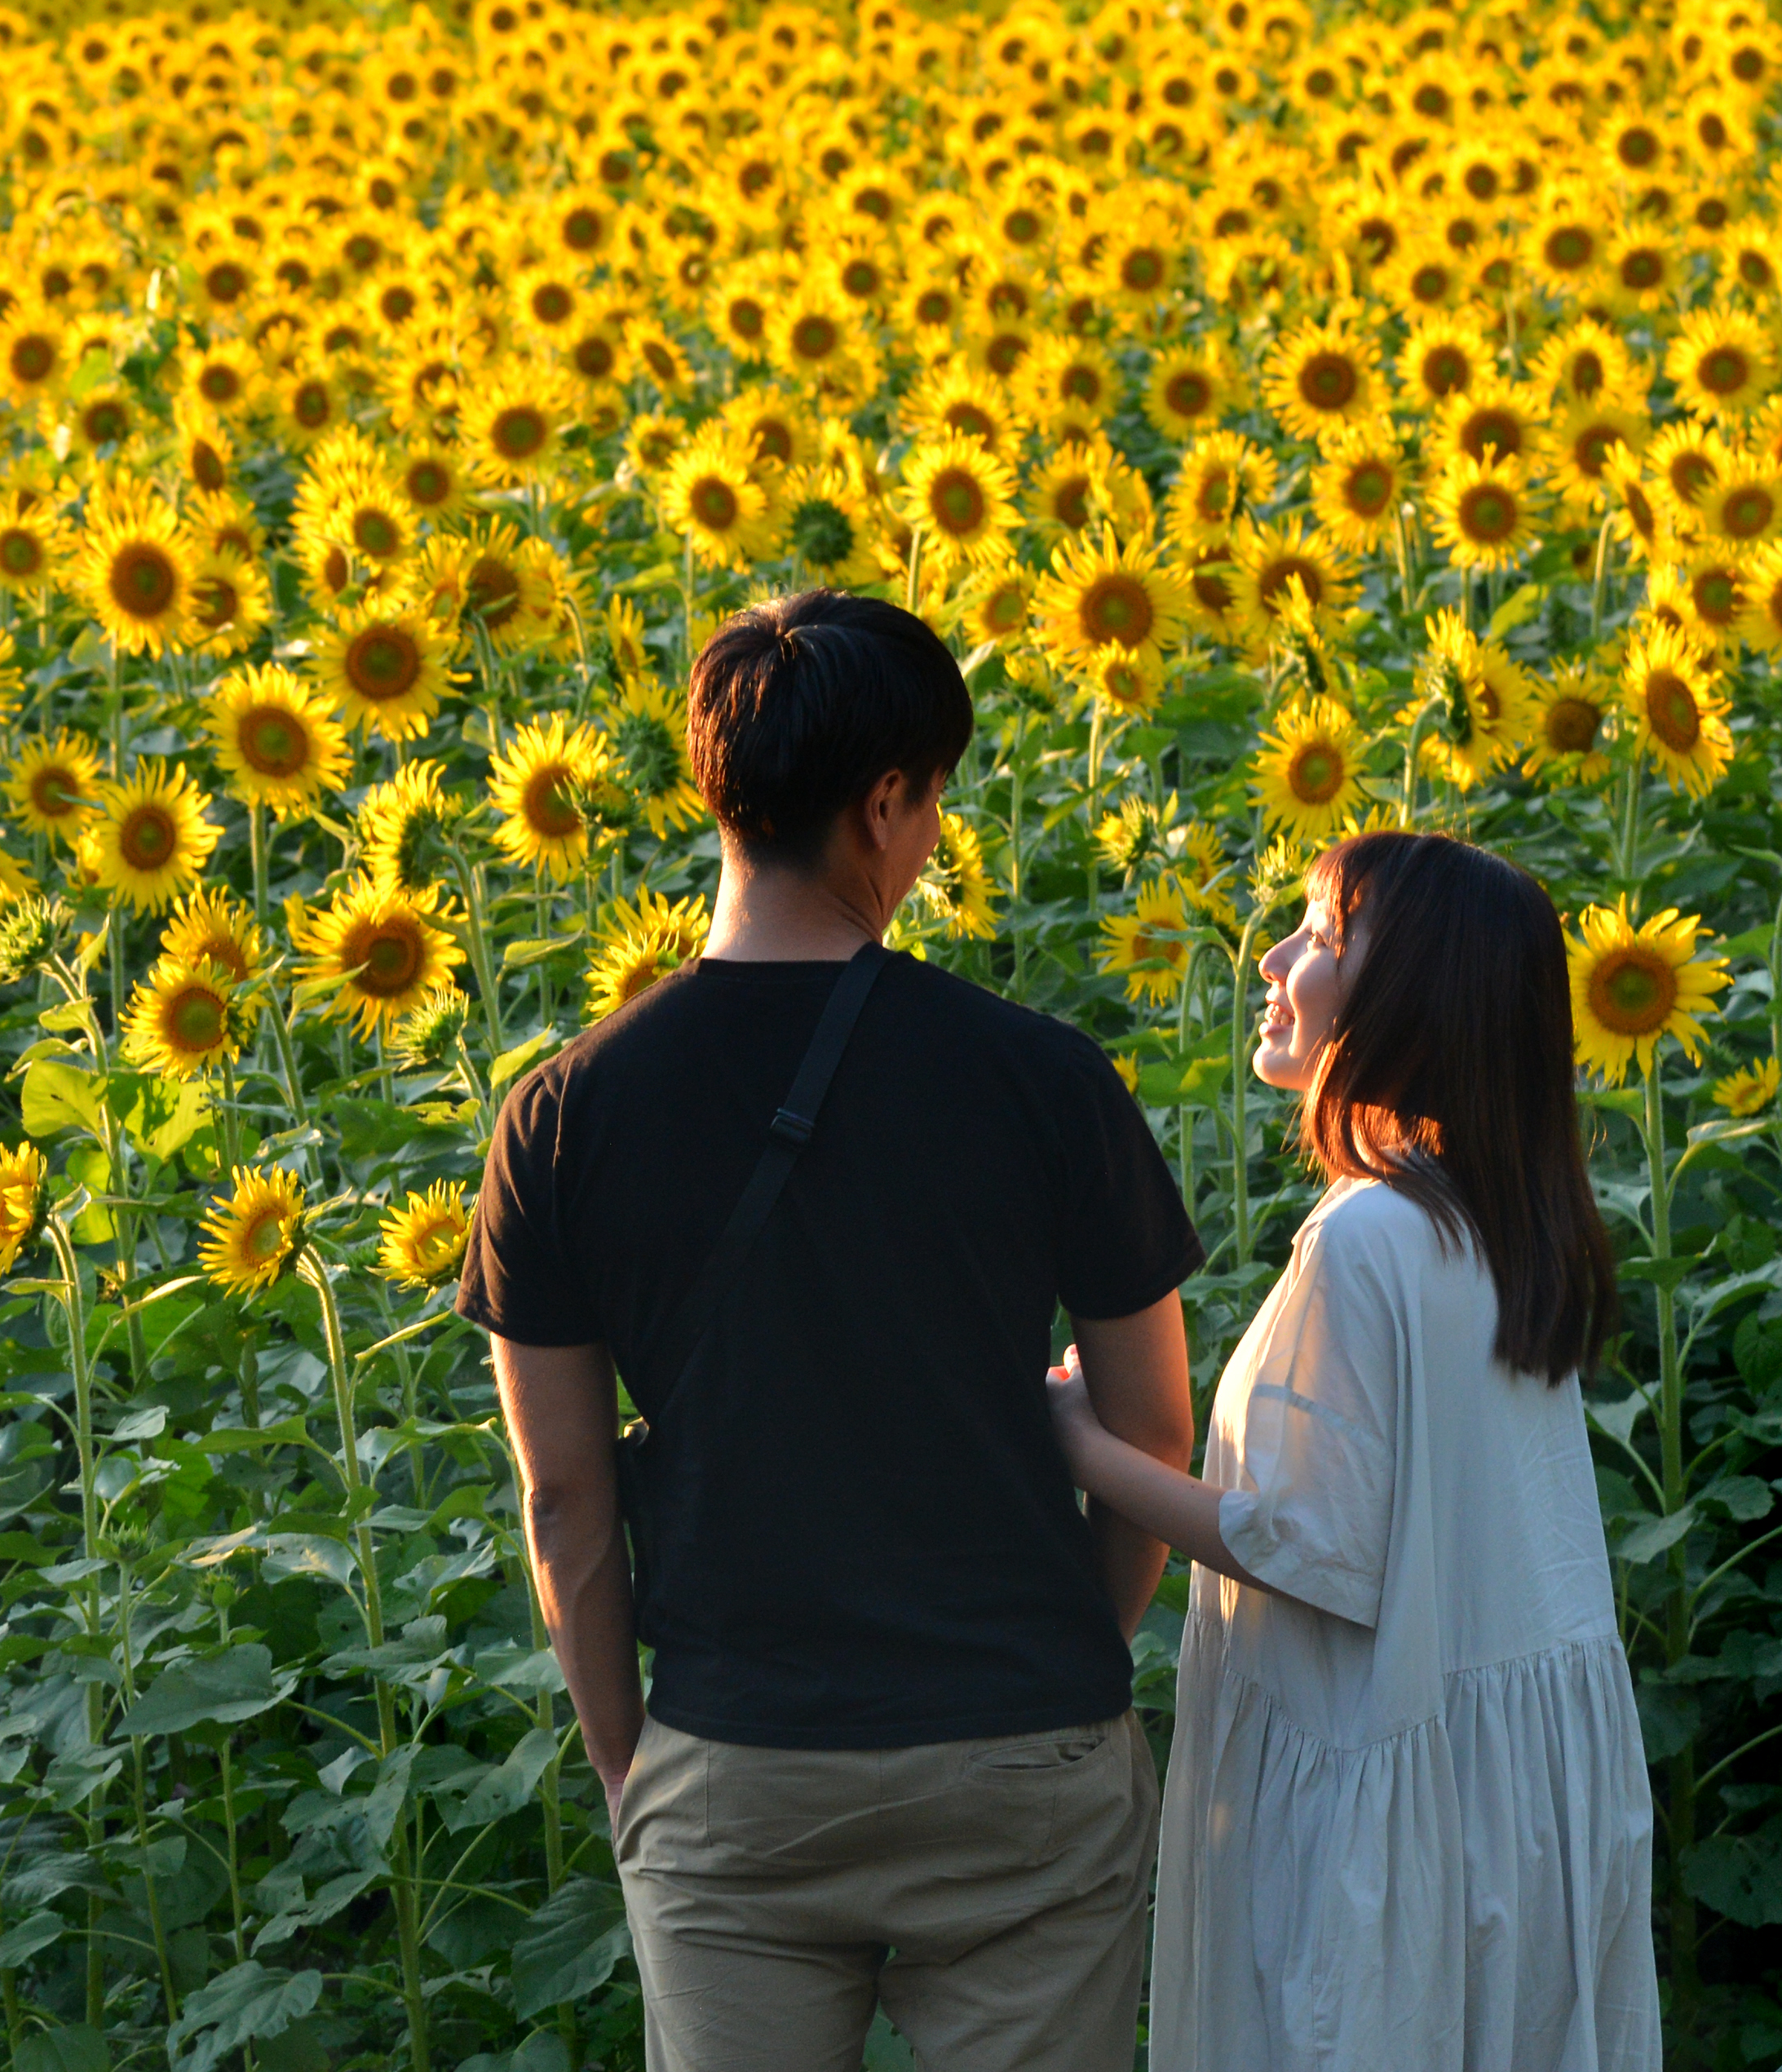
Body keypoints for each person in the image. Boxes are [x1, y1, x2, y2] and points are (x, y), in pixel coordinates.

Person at [459, 588, 1205, 2072]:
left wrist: (637, 1769)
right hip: (1021, 1759)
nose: (929, 840)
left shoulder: (563, 1113)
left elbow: (563, 1499)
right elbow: (1153, 1437)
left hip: (740, 1764)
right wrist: (1055, 1668)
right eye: (931, 803)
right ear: (883, 803)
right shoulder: (1043, 1081)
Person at [1049, 829, 1661, 2072]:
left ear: (1414, 1002)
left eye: (1323, 938)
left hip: (1379, 1779)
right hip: (1515, 1802)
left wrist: (1079, 1442)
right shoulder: (1497, 1221)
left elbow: (1303, 1544)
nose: (1274, 959)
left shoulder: (1370, 1238)